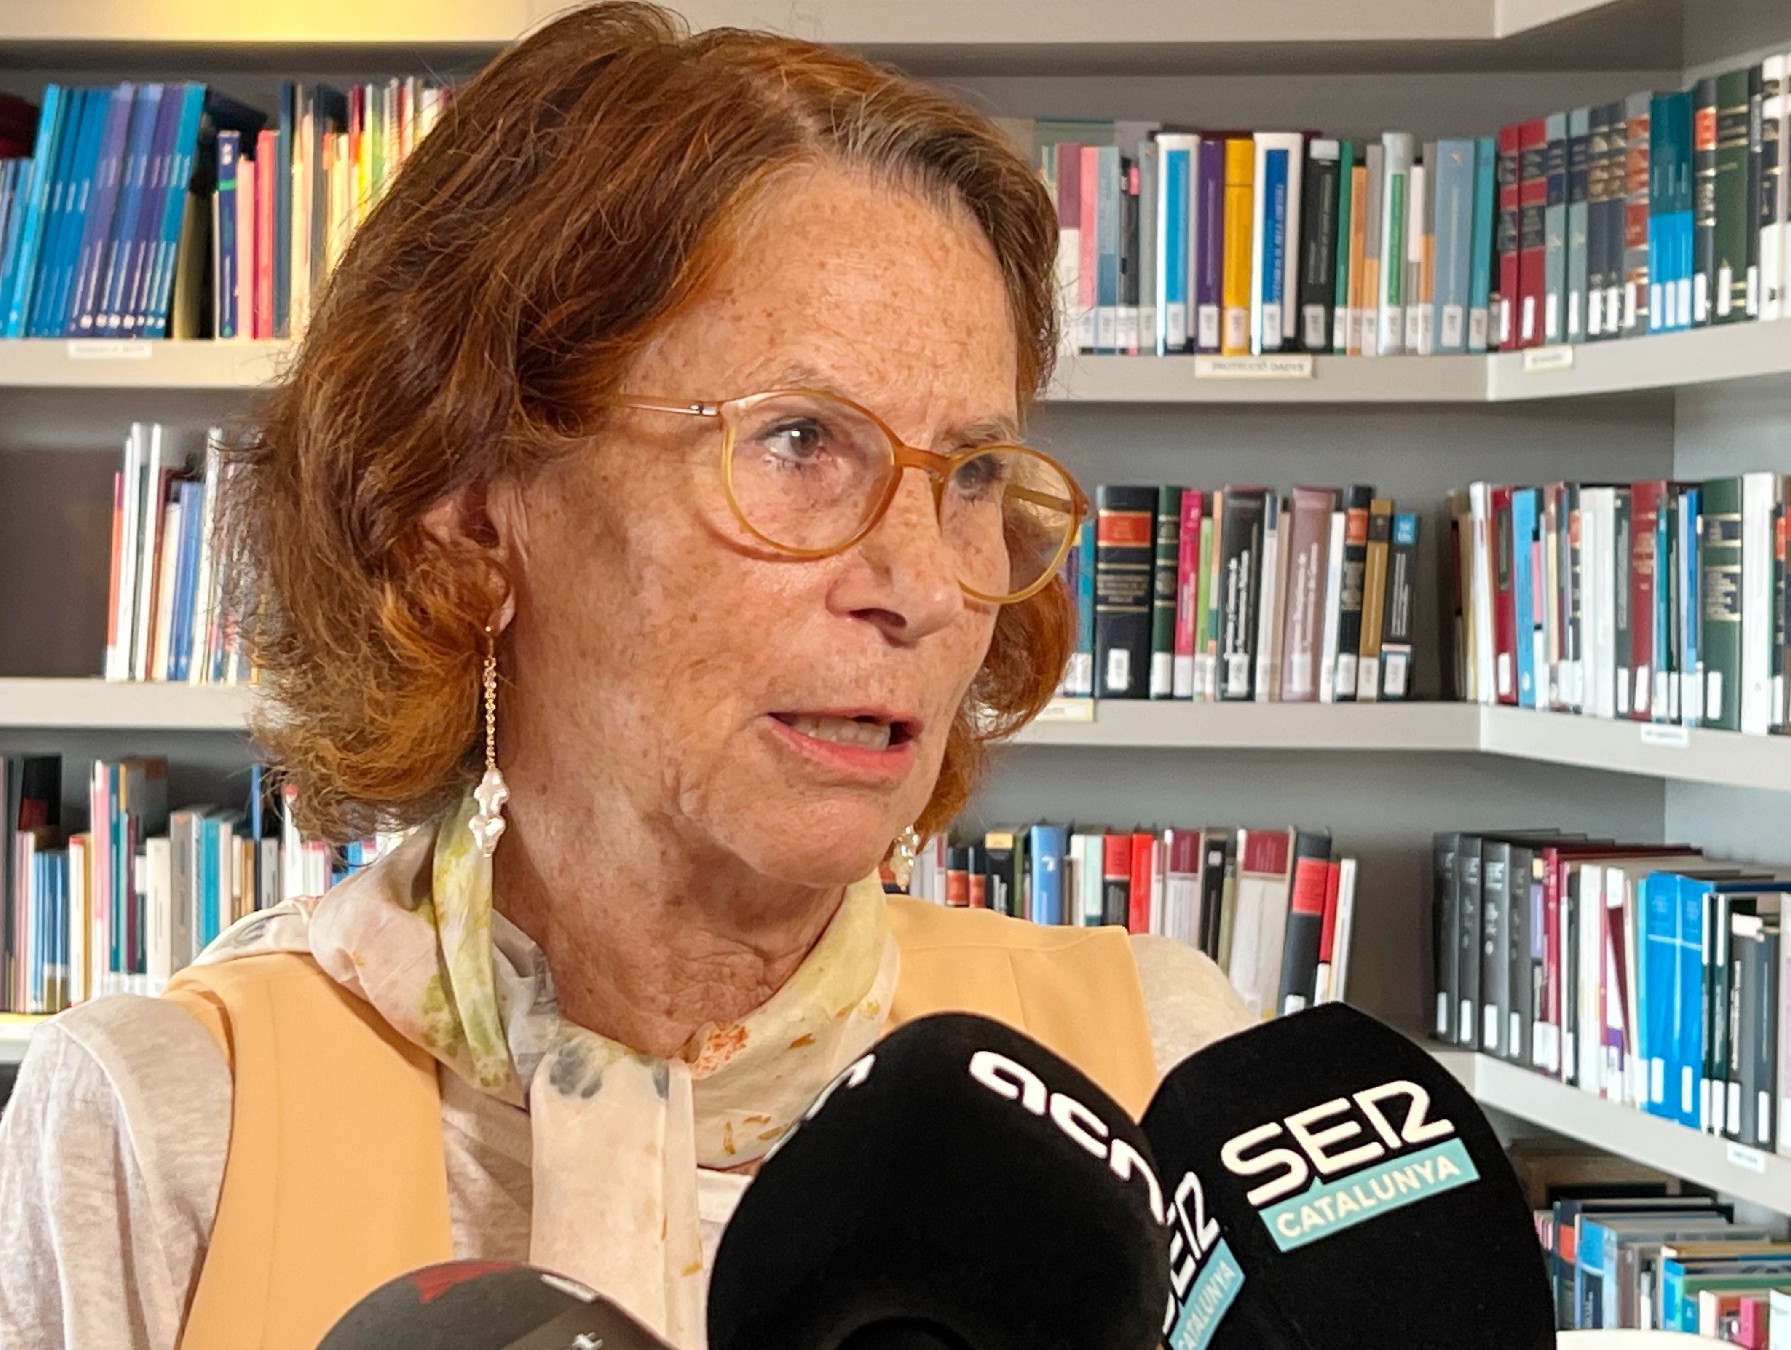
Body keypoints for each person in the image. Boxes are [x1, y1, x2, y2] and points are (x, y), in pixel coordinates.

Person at [0, 5, 1252, 1347]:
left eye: (977, 474)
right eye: (798, 441)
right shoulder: (162, 1128)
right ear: (471, 511)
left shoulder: (1162, 1062)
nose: (929, 585)